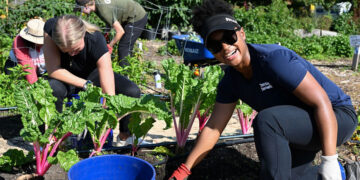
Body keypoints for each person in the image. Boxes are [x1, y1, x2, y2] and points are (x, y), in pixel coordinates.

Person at [169, 0, 358, 180]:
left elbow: (321, 101)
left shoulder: (274, 60)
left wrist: (330, 159)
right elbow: (213, 128)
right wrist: (184, 169)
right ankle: (346, 174)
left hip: (335, 116)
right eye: (216, 45)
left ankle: (335, 167)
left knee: (268, 121)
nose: (225, 47)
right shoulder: (230, 82)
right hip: (298, 124)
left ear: (241, 33)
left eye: (229, 38)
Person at [43, 14, 141, 145]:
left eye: (76, 50)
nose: (71, 54)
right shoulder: (51, 29)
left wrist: (108, 112)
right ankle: (54, 139)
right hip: (64, 76)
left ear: (83, 34)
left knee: (132, 91)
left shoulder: (95, 39)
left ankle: (125, 136)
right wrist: (85, 84)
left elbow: (108, 85)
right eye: (66, 51)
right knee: (52, 89)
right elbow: (53, 69)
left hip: (91, 74)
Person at [75, 0, 148, 67]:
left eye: (80, 10)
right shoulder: (97, 5)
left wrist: (110, 45)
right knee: (124, 45)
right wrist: (106, 35)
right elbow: (110, 20)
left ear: (86, 6)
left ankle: (126, 73)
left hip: (137, 16)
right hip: (129, 14)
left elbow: (120, 31)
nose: (82, 12)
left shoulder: (103, 10)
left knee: (124, 47)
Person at [4, 18, 46, 84]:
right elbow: (27, 65)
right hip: (17, 67)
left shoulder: (51, 41)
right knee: (17, 84)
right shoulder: (19, 42)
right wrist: (34, 87)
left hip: (41, 70)